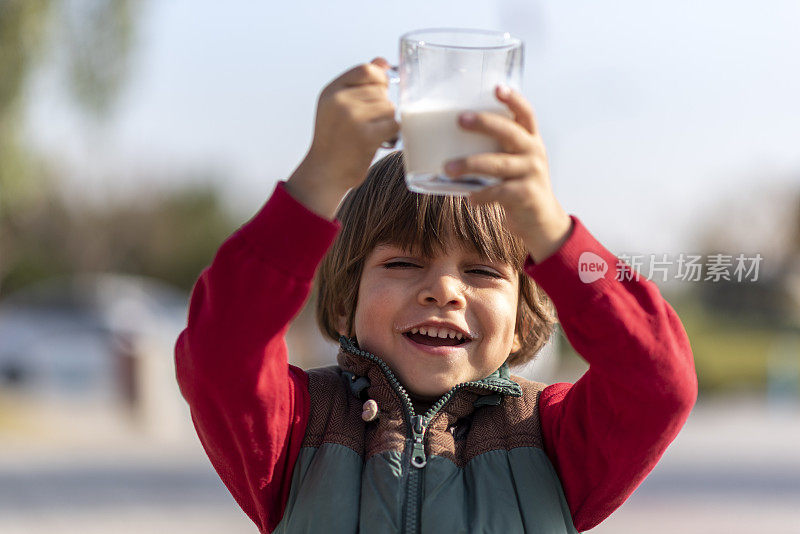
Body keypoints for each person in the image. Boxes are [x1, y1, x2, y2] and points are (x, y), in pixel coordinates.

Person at [174, 57, 697, 533]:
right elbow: (220, 352)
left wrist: (549, 227)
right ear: (343, 300)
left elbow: (658, 382)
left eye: (483, 272)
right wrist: (318, 181)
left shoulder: (552, 437)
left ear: (522, 315)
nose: (443, 290)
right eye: (402, 263)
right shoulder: (296, 426)